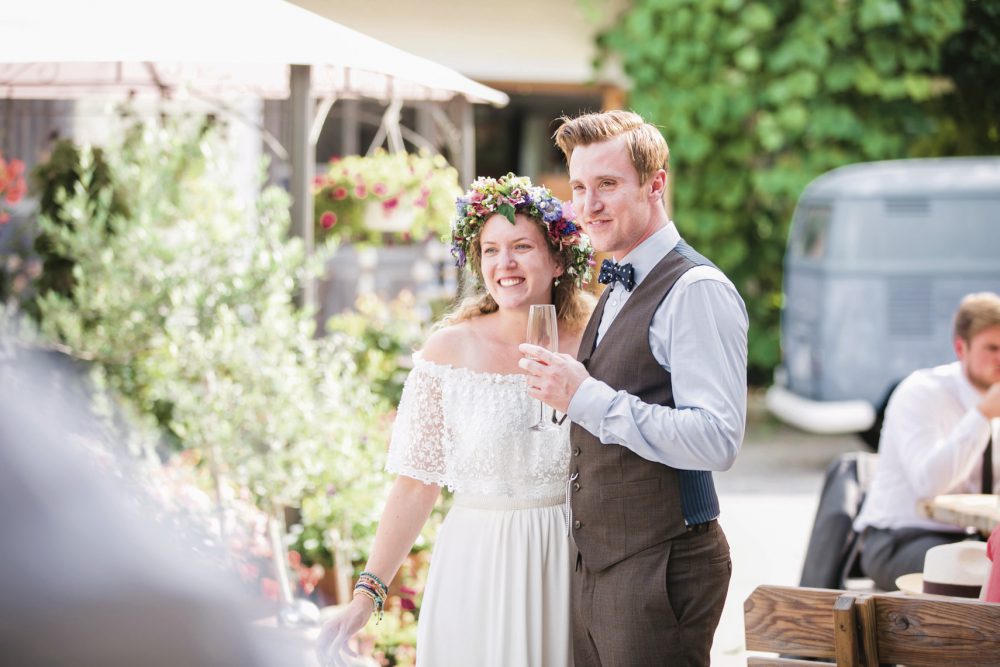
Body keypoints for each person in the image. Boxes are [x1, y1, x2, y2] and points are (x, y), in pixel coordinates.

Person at [316, 173, 596, 667]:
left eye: (521, 247)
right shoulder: (448, 349)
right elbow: (415, 484)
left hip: (572, 564)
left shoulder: (598, 336)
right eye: (490, 250)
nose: (504, 263)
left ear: (557, 259)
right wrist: (366, 596)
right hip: (478, 563)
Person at [519, 110, 748, 666]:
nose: (588, 205)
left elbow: (718, 439)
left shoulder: (695, 290)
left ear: (656, 184)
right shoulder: (618, 281)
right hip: (602, 565)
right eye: (578, 187)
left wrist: (586, 399)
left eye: (607, 185)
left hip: (662, 566)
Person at [853, 291, 1000, 591]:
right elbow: (928, 483)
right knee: (979, 573)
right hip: (901, 539)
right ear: (961, 347)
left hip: (970, 539)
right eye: (992, 348)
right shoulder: (922, 392)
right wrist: (982, 414)